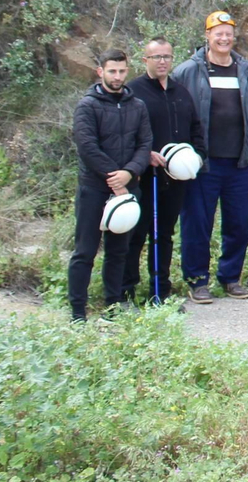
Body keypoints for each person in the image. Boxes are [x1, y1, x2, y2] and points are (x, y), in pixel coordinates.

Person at [174, 10, 248, 303]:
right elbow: (175, 111)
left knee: (240, 225)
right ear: (208, 35)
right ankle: (197, 282)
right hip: (203, 165)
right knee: (197, 226)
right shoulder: (187, 71)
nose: (224, 38)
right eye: (218, 33)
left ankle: (230, 277)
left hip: (241, 164)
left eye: (228, 33)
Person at [69, 49, 151, 321]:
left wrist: (129, 173)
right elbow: (87, 147)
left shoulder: (137, 106)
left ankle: (113, 307)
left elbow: (145, 144)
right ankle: (77, 313)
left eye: (121, 71)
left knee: (118, 252)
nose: (117, 76)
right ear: (100, 72)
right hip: (94, 189)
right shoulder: (87, 106)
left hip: (128, 188)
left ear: (128, 71)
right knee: (85, 251)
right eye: (112, 71)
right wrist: (114, 178)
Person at [126, 37, 204, 305]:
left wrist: (198, 157)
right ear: (145, 60)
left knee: (164, 236)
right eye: (156, 57)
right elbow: (124, 133)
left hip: (174, 179)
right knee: (136, 235)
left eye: (167, 57)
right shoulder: (133, 91)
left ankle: (160, 293)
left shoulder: (181, 92)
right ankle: (126, 292)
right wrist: (144, 155)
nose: (162, 62)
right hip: (144, 177)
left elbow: (196, 129)